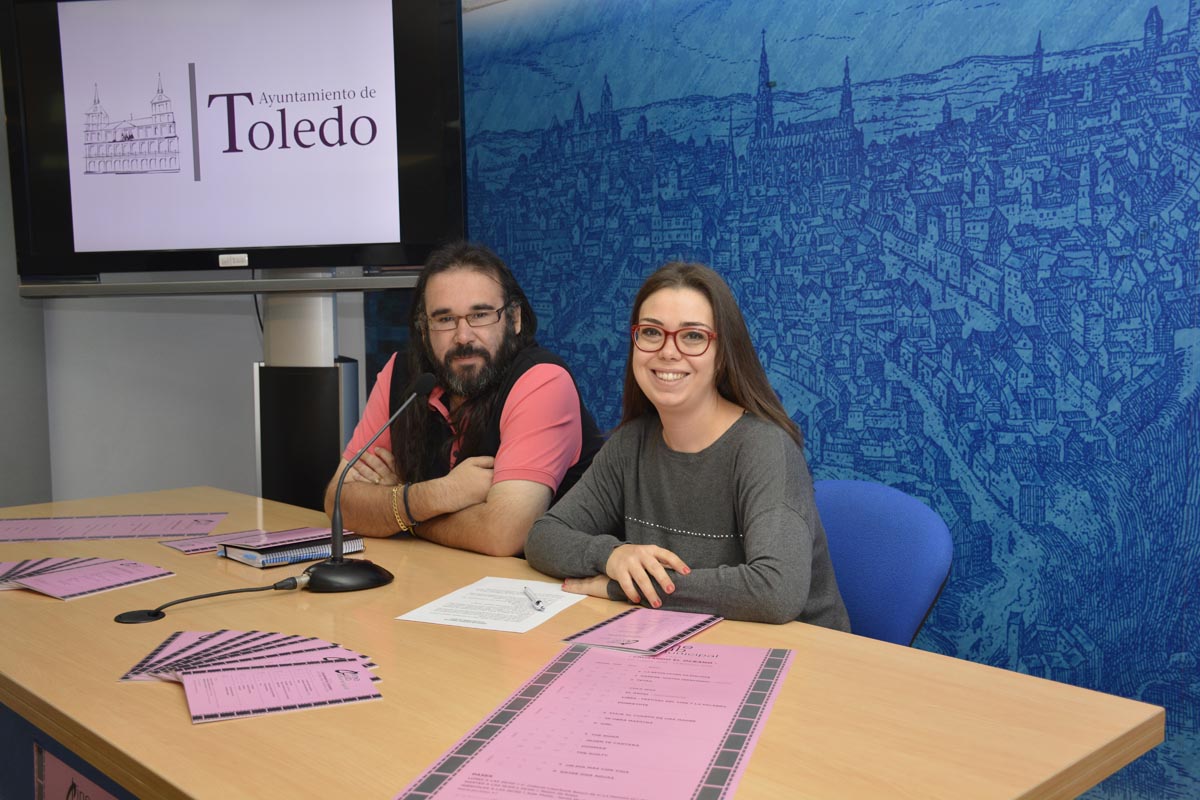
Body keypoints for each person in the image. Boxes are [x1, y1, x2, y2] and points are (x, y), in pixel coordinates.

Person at [525, 262, 850, 627]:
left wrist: (625, 589)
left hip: (802, 661)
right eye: (651, 332)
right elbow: (543, 537)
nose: (668, 351)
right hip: (691, 644)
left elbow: (776, 592)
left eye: (693, 336)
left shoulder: (764, 449)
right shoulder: (629, 444)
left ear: (723, 352)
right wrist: (612, 556)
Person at [325, 241, 604, 556]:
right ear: (424, 327)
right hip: (435, 578)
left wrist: (397, 509)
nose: (463, 336)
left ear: (514, 319)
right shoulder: (401, 376)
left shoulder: (541, 381)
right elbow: (339, 502)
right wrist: (439, 495)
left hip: (542, 592)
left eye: (480, 315)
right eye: (444, 319)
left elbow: (502, 534)